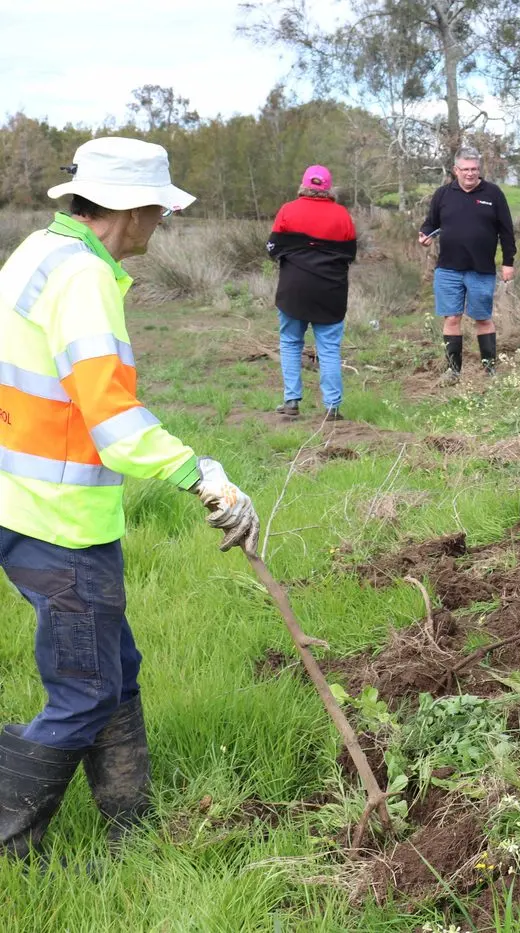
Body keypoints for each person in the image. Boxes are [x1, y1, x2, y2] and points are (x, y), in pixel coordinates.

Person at [0, 137, 260, 858]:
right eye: (158, 210)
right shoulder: (82, 278)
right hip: (61, 522)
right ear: (131, 210)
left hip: (20, 506)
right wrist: (199, 471)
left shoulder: (36, 252)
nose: (161, 224)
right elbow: (112, 421)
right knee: (84, 691)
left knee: (113, 672)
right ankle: (10, 845)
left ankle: (130, 826)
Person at [267, 165, 358, 421]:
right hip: (331, 292)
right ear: (328, 188)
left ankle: (291, 401)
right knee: (328, 348)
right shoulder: (342, 215)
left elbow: (272, 248)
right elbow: (350, 254)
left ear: (303, 184)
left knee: (290, 343)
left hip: (293, 289)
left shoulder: (288, 210)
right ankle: (332, 407)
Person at [419, 148, 515, 382]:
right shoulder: (443, 194)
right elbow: (430, 224)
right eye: (465, 169)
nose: (470, 174)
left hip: (480, 269)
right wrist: (424, 236)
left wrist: (508, 262)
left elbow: (506, 231)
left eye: (474, 169)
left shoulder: (493, 193)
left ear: (479, 170)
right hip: (448, 269)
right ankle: (453, 371)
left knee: (483, 318)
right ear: (456, 170)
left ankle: (490, 371)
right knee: (451, 318)